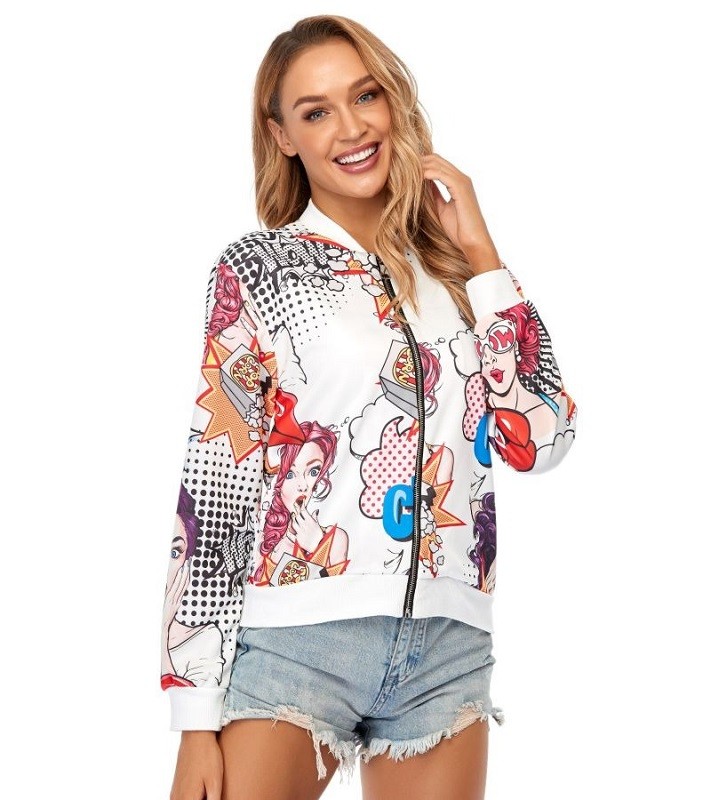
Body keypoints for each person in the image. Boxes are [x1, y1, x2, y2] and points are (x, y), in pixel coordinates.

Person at [161, 14, 578, 800]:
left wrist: (482, 256)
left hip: (446, 651)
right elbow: (216, 487)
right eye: (315, 111)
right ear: (281, 135)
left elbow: (542, 441)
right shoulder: (261, 269)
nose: (351, 129)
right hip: (293, 643)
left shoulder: (459, 273)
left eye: (365, 96)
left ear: (394, 102)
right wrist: (193, 716)